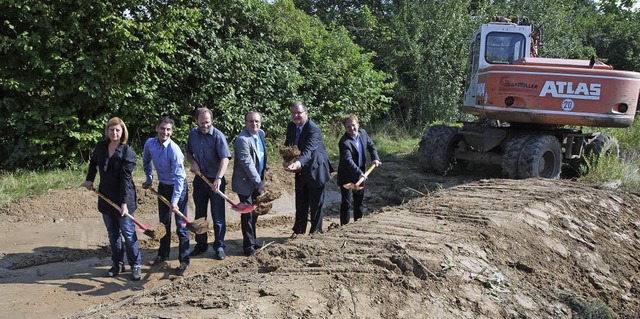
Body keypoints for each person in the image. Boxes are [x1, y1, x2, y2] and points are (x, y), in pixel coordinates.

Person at [81, 117, 142, 281]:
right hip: (105, 197)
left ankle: (135, 265)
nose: (114, 133)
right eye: (111, 129)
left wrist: (123, 204)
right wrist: (90, 179)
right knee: (113, 234)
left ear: (122, 132)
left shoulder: (127, 152)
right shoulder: (101, 147)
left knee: (128, 234)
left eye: (117, 130)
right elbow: (93, 164)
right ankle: (118, 264)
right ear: (107, 131)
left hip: (124, 199)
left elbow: (126, 180)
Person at [142, 116, 190, 276]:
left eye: (169, 129)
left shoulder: (175, 150)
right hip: (163, 186)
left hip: (179, 189)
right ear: (157, 128)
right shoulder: (150, 143)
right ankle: (163, 255)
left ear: (172, 131)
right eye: (163, 128)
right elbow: (146, 160)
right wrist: (149, 178)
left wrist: (175, 201)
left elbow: (179, 179)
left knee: (181, 226)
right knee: (164, 224)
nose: (165, 132)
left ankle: (184, 261)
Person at [186, 107, 232, 260]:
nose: (204, 126)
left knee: (218, 216)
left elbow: (225, 159)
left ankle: (219, 246)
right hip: (200, 179)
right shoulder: (193, 134)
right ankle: (201, 245)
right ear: (197, 121)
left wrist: (218, 178)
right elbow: (189, 153)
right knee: (200, 215)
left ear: (211, 121)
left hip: (215, 180)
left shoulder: (218, 136)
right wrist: (193, 163)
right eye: (201, 123)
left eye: (207, 122)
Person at [285, 101, 332, 237]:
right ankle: (298, 231)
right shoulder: (291, 126)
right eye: (293, 113)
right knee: (301, 201)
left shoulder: (313, 129)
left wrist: (298, 163)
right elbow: (289, 145)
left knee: (316, 204)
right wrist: (287, 160)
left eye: (299, 113)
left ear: (306, 113)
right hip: (300, 170)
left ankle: (315, 234)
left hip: (316, 169)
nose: (296, 116)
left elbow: (308, 151)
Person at [232, 111, 267, 256]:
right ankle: (248, 246)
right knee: (247, 214)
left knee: (255, 212)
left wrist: (261, 180)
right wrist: (259, 183)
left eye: (257, 121)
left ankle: (253, 240)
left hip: (258, 181)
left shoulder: (261, 134)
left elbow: (261, 158)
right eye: (251, 121)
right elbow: (247, 164)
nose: (254, 124)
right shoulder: (242, 140)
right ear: (246, 123)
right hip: (245, 183)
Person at [337, 114, 382, 225]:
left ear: (358, 124)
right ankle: (344, 226)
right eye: (348, 127)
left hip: (361, 173)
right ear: (345, 128)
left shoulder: (363, 133)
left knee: (359, 200)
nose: (351, 128)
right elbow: (348, 161)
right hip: (347, 175)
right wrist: (360, 173)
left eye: (353, 125)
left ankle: (358, 223)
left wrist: (375, 158)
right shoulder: (344, 142)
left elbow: (371, 145)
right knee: (346, 203)